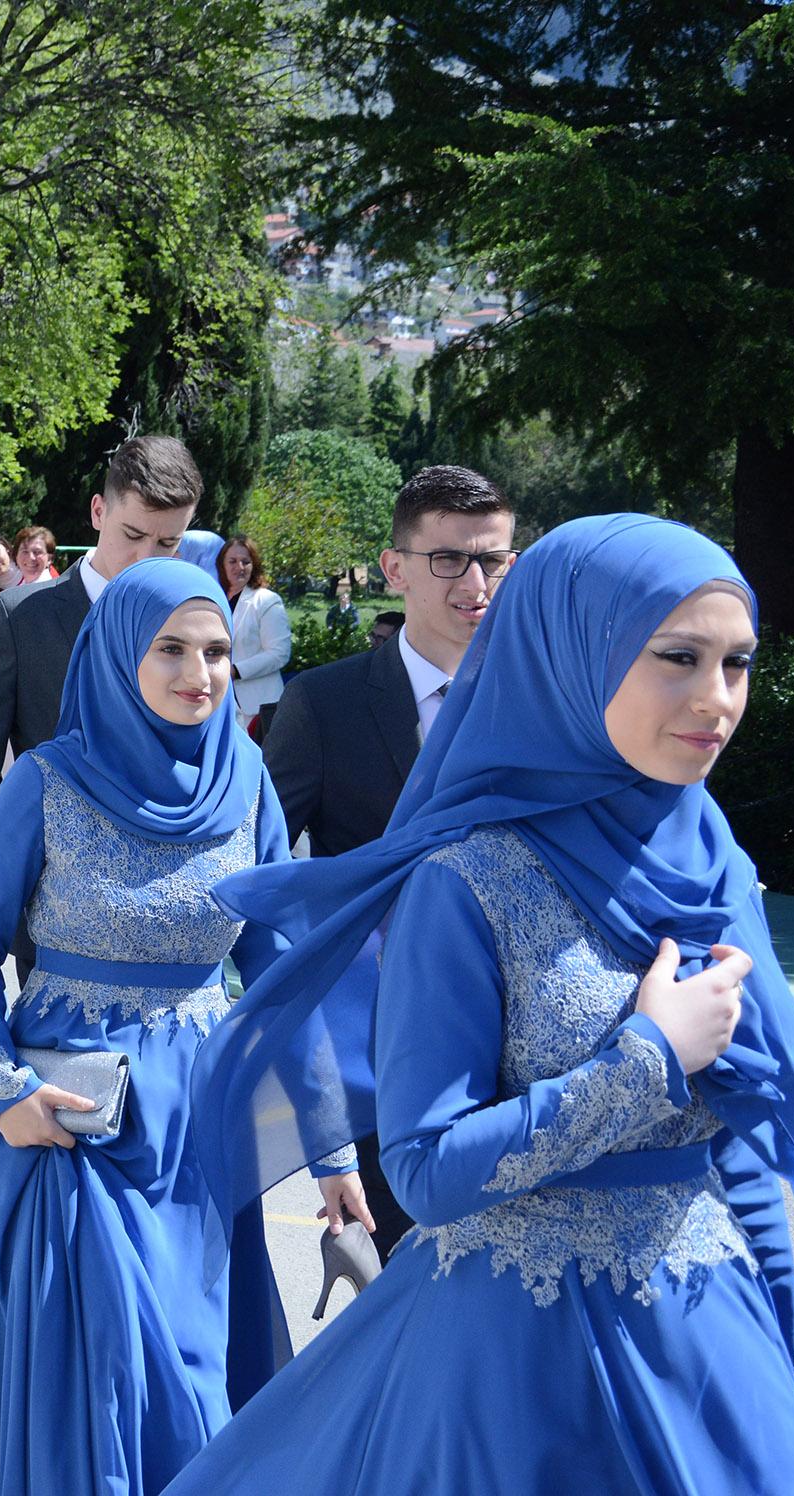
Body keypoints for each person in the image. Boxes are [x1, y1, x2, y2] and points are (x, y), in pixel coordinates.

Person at [175, 515, 794, 1495]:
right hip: (514, 1380)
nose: (716, 699)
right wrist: (644, 1058)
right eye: (678, 657)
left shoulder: (718, 863)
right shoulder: (468, 876)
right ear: (573, 650)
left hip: (712, 1353)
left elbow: (748, 1140)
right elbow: (424, 1171)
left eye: (738, 662)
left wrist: (783, 1340)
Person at [0, 558, 315, 1495]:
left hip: (201, 1118)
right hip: (69, 1107)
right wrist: (1, 1090)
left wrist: (327, 1148)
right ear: (115, 655)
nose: (200, 673)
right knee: (100, 1359)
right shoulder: (47, 782)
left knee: (185, 1350)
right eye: (170, 649)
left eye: (217, 651)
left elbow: (268, 957)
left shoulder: (247, 775)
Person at [261, 465, 517, 1258]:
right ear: (394, 567)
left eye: (496, 559)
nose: (476, 583)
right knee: (401, 1295)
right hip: (384, 1051)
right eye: (450, 560)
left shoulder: (544, 703)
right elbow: (268, 860)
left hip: (527, 1053)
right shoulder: (324, 704)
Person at [0, 434, 203, 896]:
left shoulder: (197, 620)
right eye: (133, 535)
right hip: (50, 905)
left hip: (175, 902)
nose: (145, 557)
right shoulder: (22, 618)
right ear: (98, 511)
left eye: (167, 542)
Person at [219, 535, 291, 738]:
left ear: (254, 565)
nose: (239, 567)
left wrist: (236, 671)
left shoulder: (267, 600)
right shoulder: (215, 598)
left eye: (246, 561)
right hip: (221, 703)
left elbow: (279, 654)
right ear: (222, 564)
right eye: (232, 561)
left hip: (258, 707)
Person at [7, 524, 57, 589]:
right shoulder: (17, 589)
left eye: (37, 552)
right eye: (25, 551)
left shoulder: (53, 590)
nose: (31, 558)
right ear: (16, 556)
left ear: (49, 559)